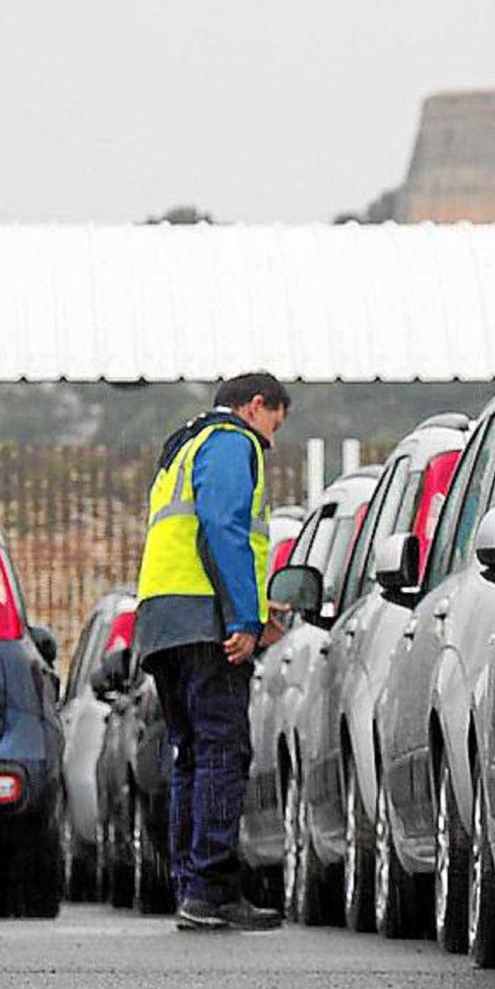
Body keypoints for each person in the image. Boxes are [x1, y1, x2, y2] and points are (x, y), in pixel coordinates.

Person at [134, 372, 292, 930]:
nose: (271, 437)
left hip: (162, 618)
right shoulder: (232, 443)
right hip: (207, 622)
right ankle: (213, 891)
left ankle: (192, 886)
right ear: (255, 407)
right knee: (223, 752)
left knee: (193, 756)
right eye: (274, 422)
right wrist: (245, 618)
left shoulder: (184, 445)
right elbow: (222, 527)